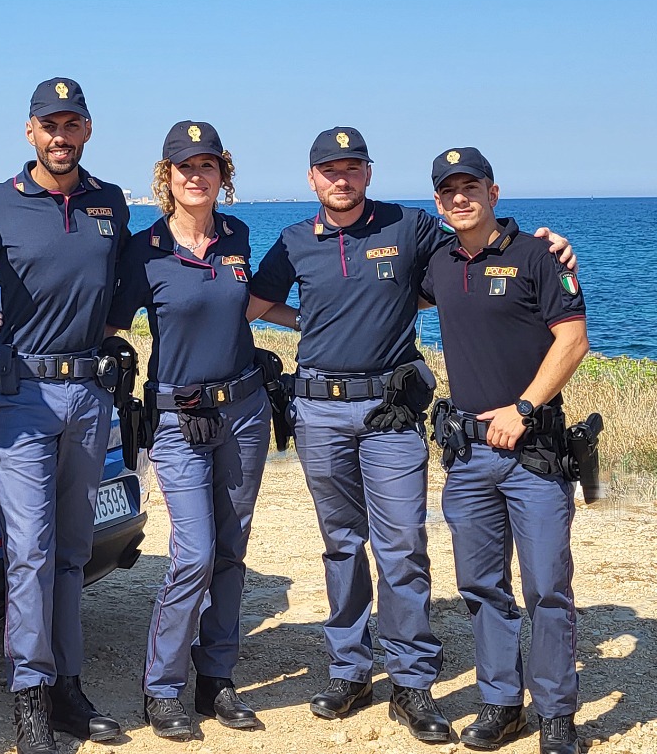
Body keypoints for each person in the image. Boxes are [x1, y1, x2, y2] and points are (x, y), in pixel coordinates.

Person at [246, 127, 576, 745]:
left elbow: (475, 239)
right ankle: (350, 670)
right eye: (329, 170)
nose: (340, 179)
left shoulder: (409, 227)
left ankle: (411, 681)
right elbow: (256, 307)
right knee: (341, 545)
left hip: (390, 414)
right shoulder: (293, 241)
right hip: (318, 411)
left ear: (368, 174)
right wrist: (311, 320)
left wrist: (550, 244)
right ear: (311, 178)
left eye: (352, 168)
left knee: (401, 547)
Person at [0, 78, 130, 754]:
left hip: (88, 395)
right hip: (23, 400)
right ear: (30, 131)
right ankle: (29, 700)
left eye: (71, 124)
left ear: (88, 130)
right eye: (49, 124)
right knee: (31, 553)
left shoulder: (111, 202)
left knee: (73, 551)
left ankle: (68, 688)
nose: (60, 135)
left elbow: (115, 296)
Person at [420, 147, 588, 754]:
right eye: (448, 191)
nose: (459, 198)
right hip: (467, 455)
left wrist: (523, 409)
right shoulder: (437, 261)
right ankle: (500, 703)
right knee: (482, 586)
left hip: (534, 453)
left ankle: (557, 712)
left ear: (495, 192)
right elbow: (382, 292)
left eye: (471, 187)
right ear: (437, 202)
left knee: (547, 586)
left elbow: (573, 340)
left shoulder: (541, 255)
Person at [111, 121, 269, 738]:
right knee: (193, 555)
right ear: (167, 176)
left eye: (208, 166)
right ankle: (164, 688)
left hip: (247, 411)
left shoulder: (238, 237)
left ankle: (217, 680)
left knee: (231, 550)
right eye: (185, 167)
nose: (196, 176)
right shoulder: (144, 247)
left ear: (222, 175)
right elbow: (109, 323)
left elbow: (254, 303)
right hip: (178, 418)